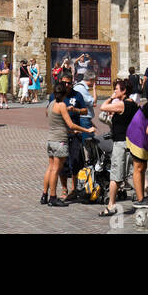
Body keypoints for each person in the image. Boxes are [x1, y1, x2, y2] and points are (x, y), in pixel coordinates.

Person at [43, 79, 95, 207]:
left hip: (50, 139)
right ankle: (53, 197)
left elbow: (47, 115)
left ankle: (44, 194)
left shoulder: (51, 104)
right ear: (63, 94)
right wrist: (86, 129)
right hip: (60, 140)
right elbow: (71, 125)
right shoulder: (61, 105)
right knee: (56, 169)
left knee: (50, 168)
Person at [98, 78, 140, 217]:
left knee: (115, 175)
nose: (114, 91)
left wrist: (111, 97)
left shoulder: (121, 105)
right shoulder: (134, 104)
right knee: (136, 171)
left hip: (120, 143)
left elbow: (102, 107)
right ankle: (146, 197)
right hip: (131, 142)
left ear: (124, 91)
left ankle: (111, 205)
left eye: (116, 89)